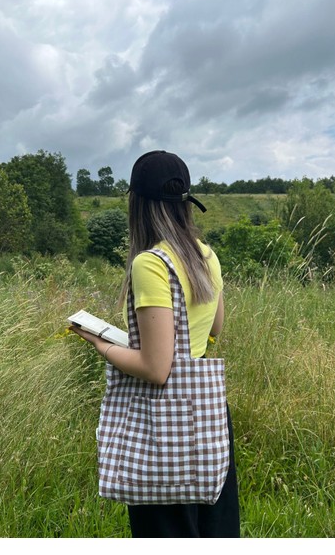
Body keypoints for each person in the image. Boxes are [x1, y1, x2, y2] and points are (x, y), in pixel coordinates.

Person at [70, 150, 240, 538]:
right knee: (214, 528)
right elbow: (214, 328)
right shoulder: (207, 255)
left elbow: (156, 368)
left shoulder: (150, 264)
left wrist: (100, 342)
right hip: (209, 418)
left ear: (137, 204)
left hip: (165, 425)